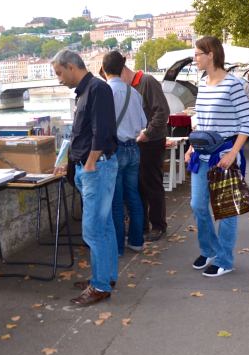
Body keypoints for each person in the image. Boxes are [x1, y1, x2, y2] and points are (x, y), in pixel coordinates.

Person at [51, 49, 118, 306]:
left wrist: (89, 163)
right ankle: (105, 276)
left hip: (96, 168)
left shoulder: (97, 90)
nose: (59, 79)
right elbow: (81, 133)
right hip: (90, 168)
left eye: (59, 73)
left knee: (93, 230)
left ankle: (100, 286)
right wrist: (70, 163)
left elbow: (102, 132)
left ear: (70, 67)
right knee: (104, 226)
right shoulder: (85, 91)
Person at [184, 36, 249, 277]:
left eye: (197, 55)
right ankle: (210, 249)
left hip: (225, 154)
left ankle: (224, 259)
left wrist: (234, 153)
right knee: (197, 205)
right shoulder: (202, 83)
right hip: (201, 154)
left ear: (211, 54)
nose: (195, 59)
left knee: (226, 209)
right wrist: (192, 146)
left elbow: (246, 123)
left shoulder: (233, 84)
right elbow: (200, 120)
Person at [117, 61, 170, 241]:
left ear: (123, 71)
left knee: (152, 184)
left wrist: (148, 132)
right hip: (137, 142)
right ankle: (142, 225)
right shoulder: (129, 87)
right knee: (138, 186)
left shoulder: (147, 82)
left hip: (151, 142)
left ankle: (158, 225)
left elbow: (162, 111)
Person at [102, 51, 148, 255]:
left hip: (116, 149)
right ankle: (137, 241)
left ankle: (118, 246)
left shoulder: (105, 92)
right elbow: (142, 125)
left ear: (103, 69)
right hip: (133, 148)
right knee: (134, 196)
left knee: (116, 201)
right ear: (122, 67)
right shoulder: (134, 93)